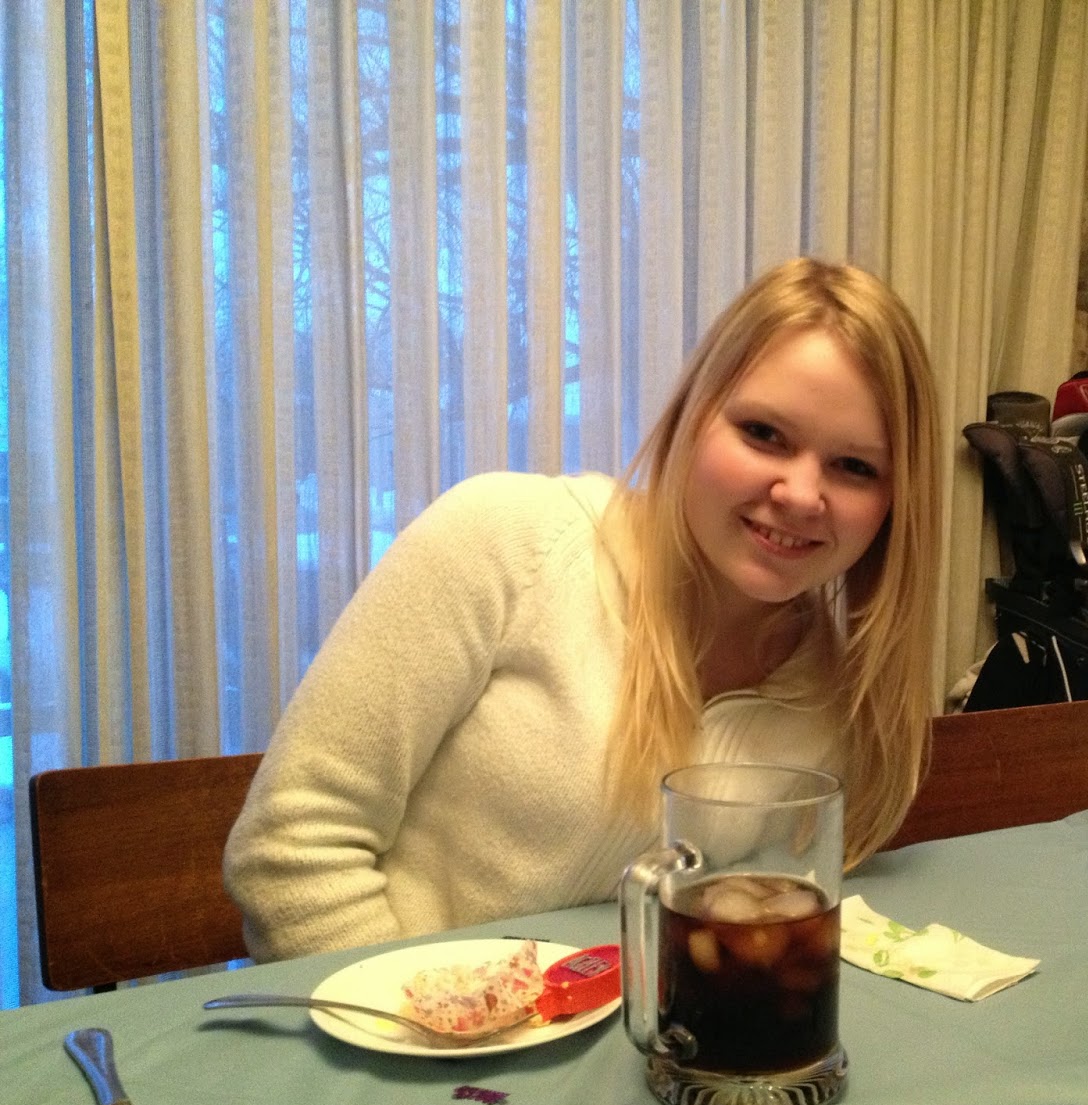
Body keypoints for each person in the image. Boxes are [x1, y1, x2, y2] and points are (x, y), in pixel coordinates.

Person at [223, 257, 945, 961]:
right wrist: (419, 1021)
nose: (800, 495)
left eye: (855, 467)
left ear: (896, 503)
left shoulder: (834, 702)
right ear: (693, 415)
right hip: (400, 1024)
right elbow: (291, 850)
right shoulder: (506, 540)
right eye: (763, 433)